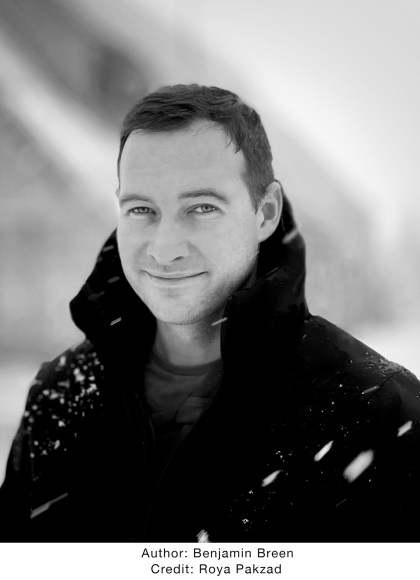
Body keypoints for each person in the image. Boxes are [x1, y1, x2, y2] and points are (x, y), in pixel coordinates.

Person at [1, 84, 420, 542]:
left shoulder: (373, 408)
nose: (164, 248)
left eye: (202, 207)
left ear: (265, 213)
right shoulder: (60, 393)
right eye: (141, 209)